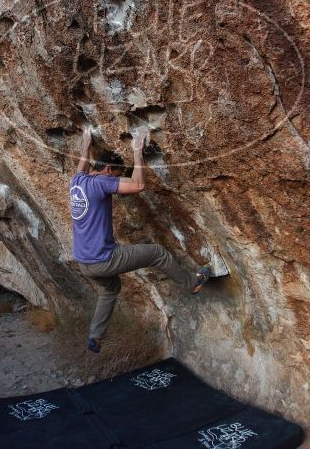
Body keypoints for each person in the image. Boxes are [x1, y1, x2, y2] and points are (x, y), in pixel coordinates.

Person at [70, 127, 210, 353]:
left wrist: (86, 144)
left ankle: (95, 336)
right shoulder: (102, 183)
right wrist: (137, 152)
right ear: (107, 170)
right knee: (157, 253)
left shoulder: (77, 181)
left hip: (84, 263)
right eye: (117, 176)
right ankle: (193, 283)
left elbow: (82, 165)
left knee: (109, 290)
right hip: (104, 260)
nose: (118, 181)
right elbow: (138, 185)